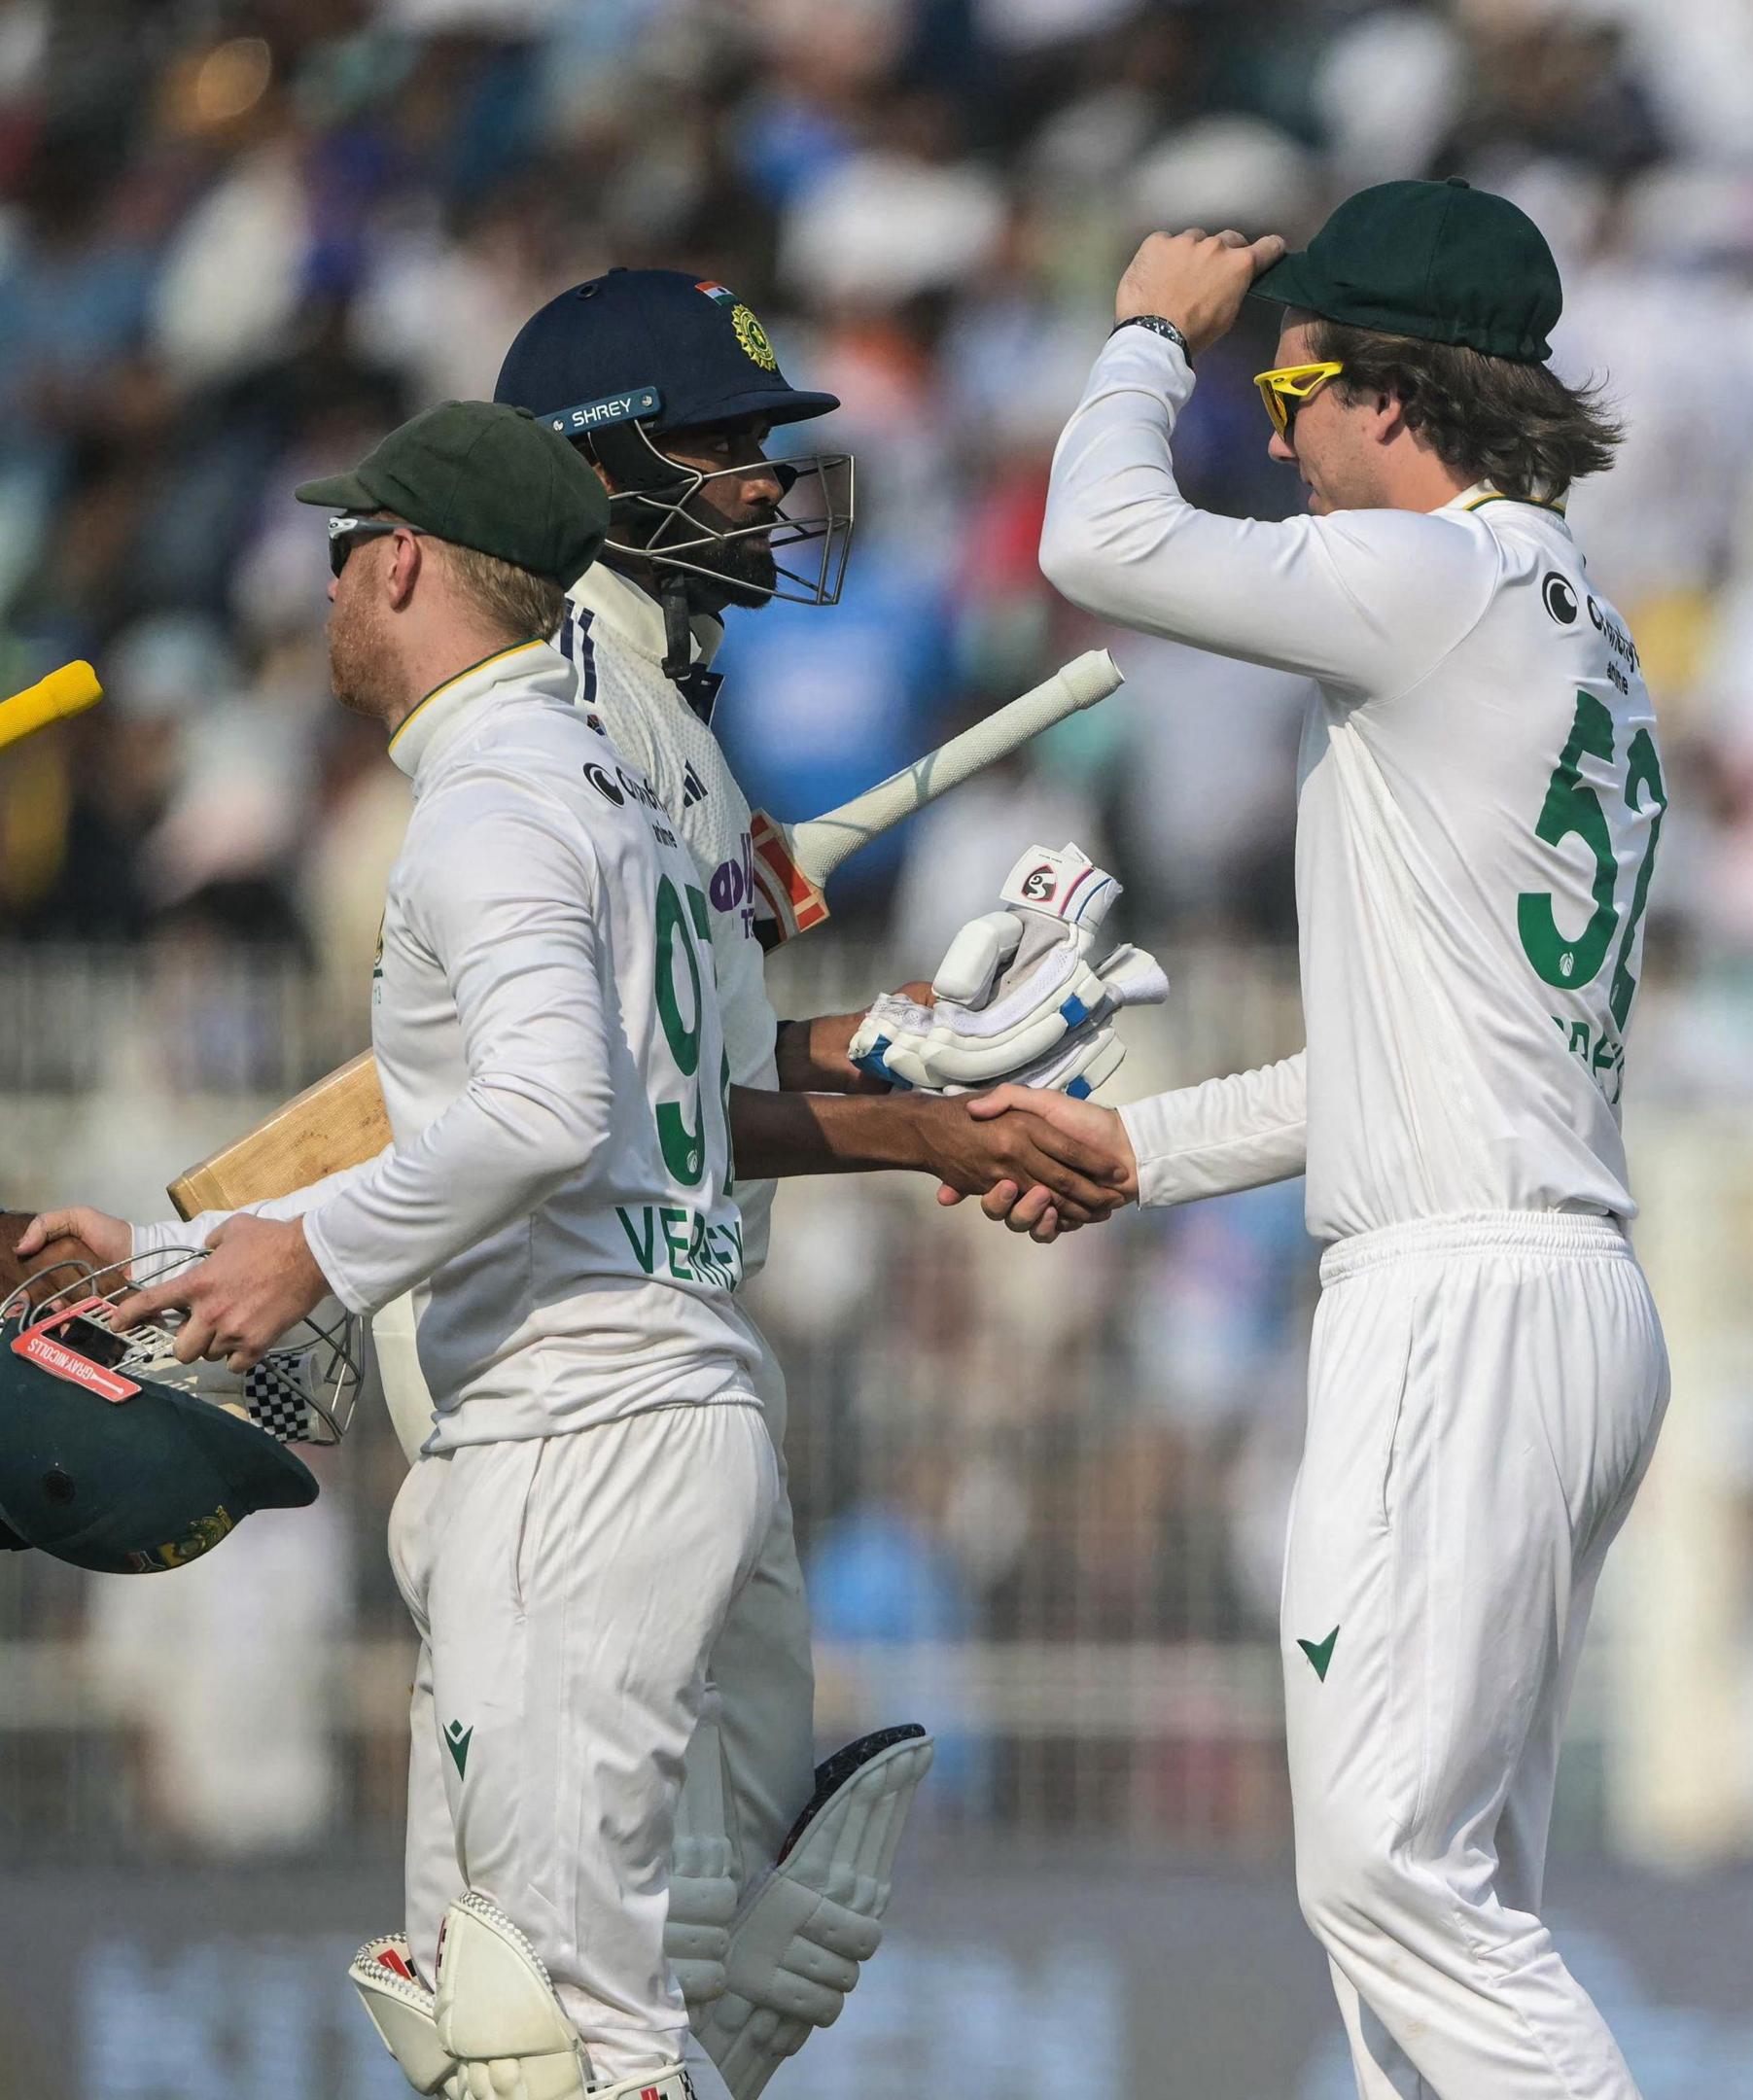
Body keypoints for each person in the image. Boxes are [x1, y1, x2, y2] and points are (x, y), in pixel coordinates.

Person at [23, 402, 1124, 2100]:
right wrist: (185, 1240)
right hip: (621, 1410)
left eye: (338, 558)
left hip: (573, 1432)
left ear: (398, 563)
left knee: (565, 2051)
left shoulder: (503, 803)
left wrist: (302, 1255)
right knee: (481, 2038)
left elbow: (538, 1114)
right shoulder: (607, 789)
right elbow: (479, 1100)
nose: (319, 599)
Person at [1015, 180, 1667, 2097]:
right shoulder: (1575, 632)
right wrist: (1137, 1153)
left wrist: (1148, 328)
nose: (1276, 434)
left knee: (1391, 1884)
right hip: (1549, 1279)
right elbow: (1410, 1048)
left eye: (1290, 390)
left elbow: (1096, 537)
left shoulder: (1437, 582)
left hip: (1455, 1301)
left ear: (1388, 398)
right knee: (1443, 1913)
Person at [481, 268, 1135, 2099]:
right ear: (594, 471)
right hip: (578, 1372)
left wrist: (899, 1047)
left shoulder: (674, 713)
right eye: (722, 447)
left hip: (692, 1342)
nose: (767, 486)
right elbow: (624, 1099)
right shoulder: (563, 712)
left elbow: (715, 1062)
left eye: (770, 450)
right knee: (550, 2003)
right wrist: (935, 1135)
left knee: (702, 1971)